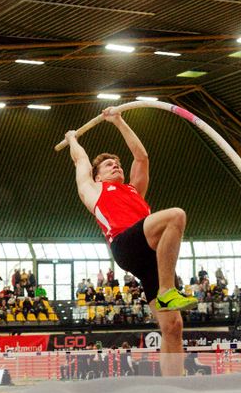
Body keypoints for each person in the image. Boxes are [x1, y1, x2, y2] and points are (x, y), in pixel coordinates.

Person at [64, 110, 194, 376]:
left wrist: (118, 121)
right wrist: (72, 139)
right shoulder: (93, 189)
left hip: (153, 259)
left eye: (117, 163)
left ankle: (174, 388)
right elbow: (80, 160)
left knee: (172, 327)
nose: (116, 165)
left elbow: (141, 157)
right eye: (109, 164)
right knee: (176, 216)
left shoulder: (135, 190)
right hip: (125, 243)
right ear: (97, 175)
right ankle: (168, 292)